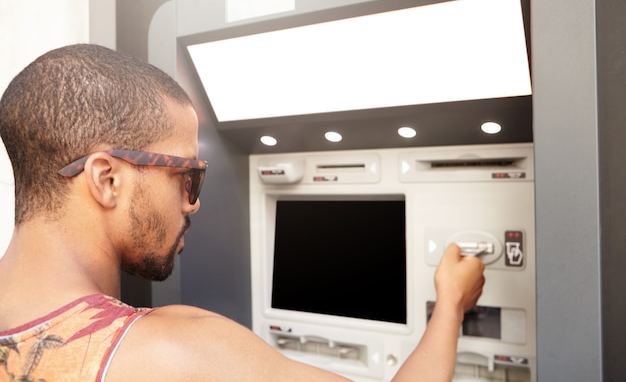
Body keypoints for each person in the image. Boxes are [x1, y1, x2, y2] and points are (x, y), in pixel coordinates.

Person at [0, 44, 485, 382]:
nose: (193, 203)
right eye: (186, 176)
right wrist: (451, 304)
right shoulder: (178, 354)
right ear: (107, 180)